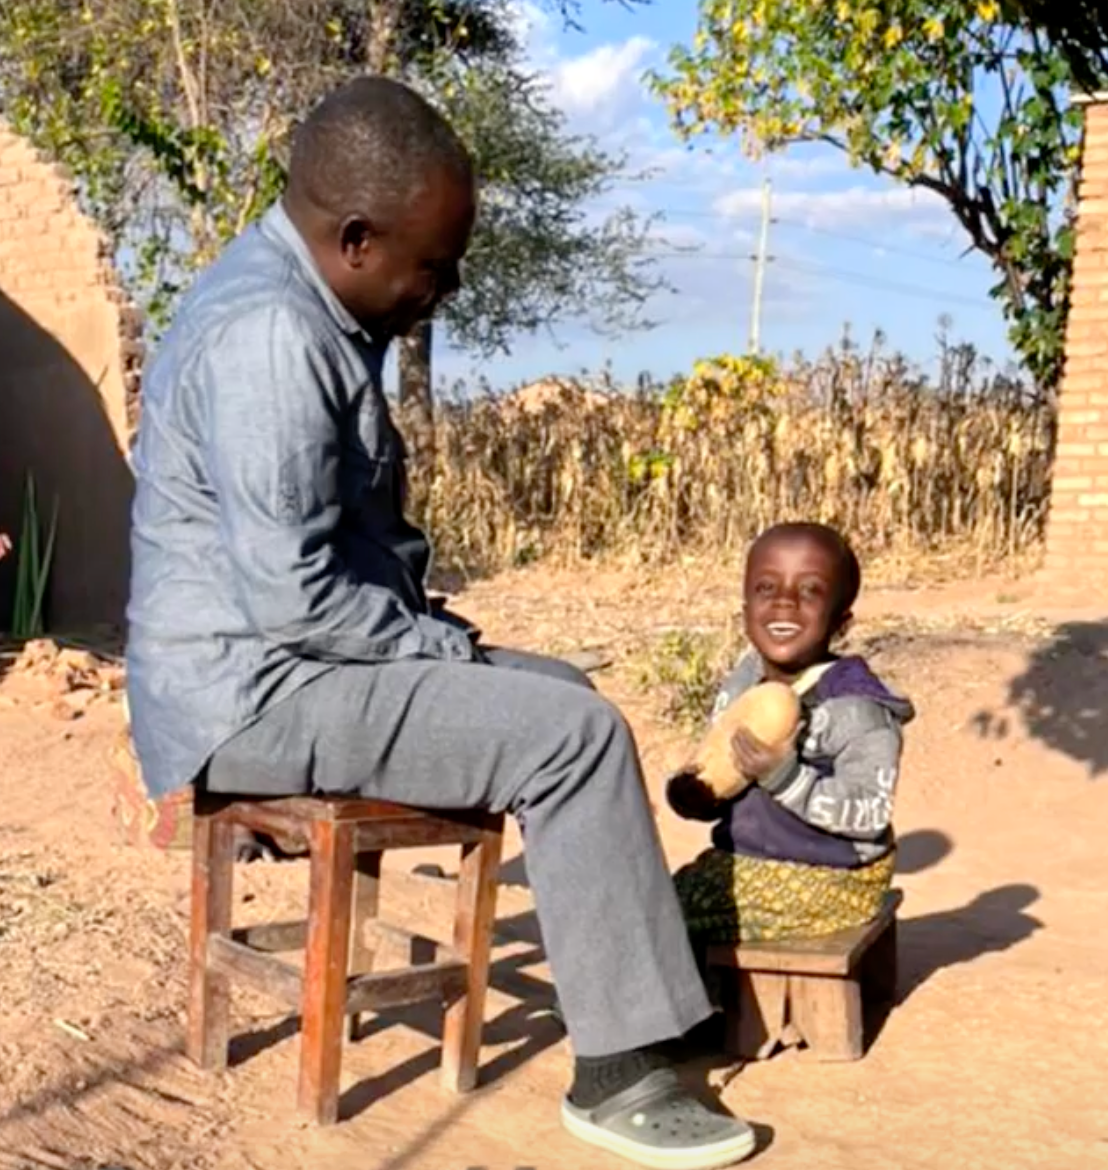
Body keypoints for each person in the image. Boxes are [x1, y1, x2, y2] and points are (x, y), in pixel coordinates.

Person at [124, 76, 757, 1169]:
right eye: (434, 264)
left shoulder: (300, 298)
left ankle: (641, 994)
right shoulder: (273, 337)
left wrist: (437, 637)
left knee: (560, 691)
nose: (445, 289)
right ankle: (617, 1075)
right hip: (251, 692)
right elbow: (291, 597)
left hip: (284, 664)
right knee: (570, 739)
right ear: (357, 238)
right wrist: (433, 643)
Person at [668, 522, 915, 949]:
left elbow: (871, 814)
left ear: (841, 622)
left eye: (810, 591)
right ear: (745, 610)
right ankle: (681, 1004)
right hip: (748, 861)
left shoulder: (857, 708)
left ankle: (688, 1012)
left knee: (671, 919)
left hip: (833, 878)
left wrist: (787, 779)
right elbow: (721, 769)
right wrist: (695, 792)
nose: (785, 603)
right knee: (646, 899)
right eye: (766, 589)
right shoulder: (743, 683)